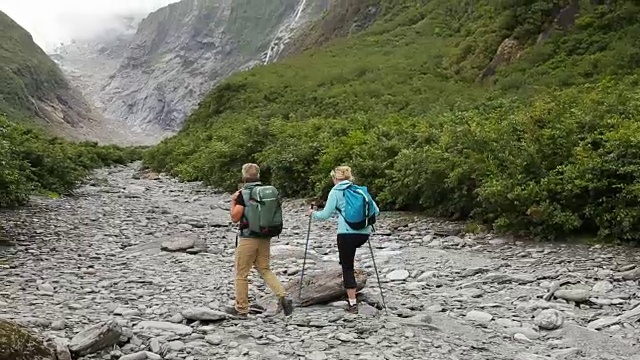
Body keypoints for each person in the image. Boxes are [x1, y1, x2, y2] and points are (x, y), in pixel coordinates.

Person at [307, 165, 380, 314]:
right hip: (364, 234)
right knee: (350, 262)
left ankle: (352, 303)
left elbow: (324, 215)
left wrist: (312, 213)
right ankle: (353, 291)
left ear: (335, 178)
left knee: (347, 267)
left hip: (346, 235)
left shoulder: (336, 191)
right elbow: (376, 211)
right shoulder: (360, 190)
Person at [226, 163, 294, 318]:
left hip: (248, 237)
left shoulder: (243, 193)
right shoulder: (267, 191)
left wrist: (233, 202)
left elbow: (235, 217)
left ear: (244, 176)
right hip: (265, 235)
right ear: (258, 175)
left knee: (241, 273)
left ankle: (241, 309)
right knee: (264, 269)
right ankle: (283, 296)